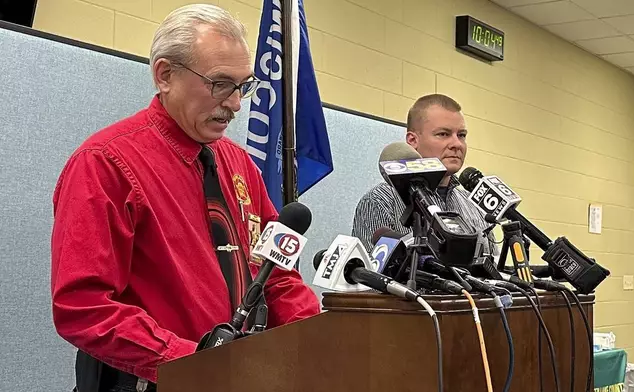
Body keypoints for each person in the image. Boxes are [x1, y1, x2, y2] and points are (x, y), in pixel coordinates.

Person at [50, 5, 320, 391]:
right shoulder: (104, 165)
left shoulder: (241, 164)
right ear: (165, 75)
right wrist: (195, 364)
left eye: (244, 85)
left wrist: (315, 341)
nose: (236, 103)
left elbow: (276, 274)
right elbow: (84, 307)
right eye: (220, 84)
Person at [352, 94, 495, 254]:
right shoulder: (380, 201)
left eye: (461, 135)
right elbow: (370, 273)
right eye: (443, 134)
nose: (456, 144)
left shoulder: (475, 207)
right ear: (413, 140)